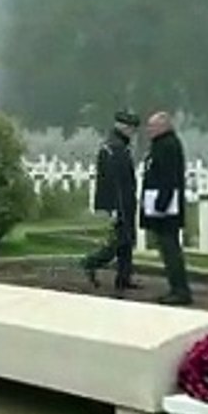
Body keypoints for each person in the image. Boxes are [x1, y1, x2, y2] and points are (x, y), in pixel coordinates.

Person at [80, 111, 141, 296]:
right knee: (119, 240)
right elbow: (115, 182)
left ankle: (124, 278)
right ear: (121, 126)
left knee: (126, 242)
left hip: (125, 200)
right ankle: (90, 262)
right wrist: (115, 208)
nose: (132, 132)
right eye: (130, 128)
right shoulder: (114, 148)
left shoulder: (118, 146)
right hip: (119, 202)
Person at [142, 111, 192, 305]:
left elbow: (169, 177)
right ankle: (175, 288)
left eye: (152, 126)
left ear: (163, 127)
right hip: (160, 204)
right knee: (166, 248)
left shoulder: (167, 145)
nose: (149, 130)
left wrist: (161, 203)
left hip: (165, 207)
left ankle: (180, 290)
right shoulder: (160, 145)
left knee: (170, 248)